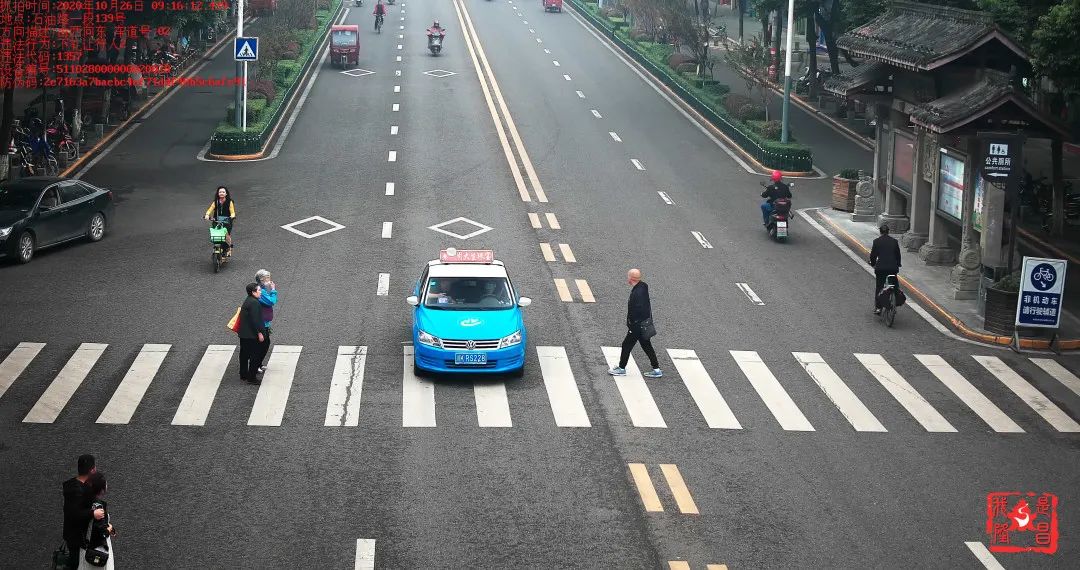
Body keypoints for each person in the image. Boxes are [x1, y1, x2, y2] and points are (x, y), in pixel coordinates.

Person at [608, 269, 662, 378]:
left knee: (626, 345)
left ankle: (621, 368)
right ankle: (656, 369)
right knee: (646, 345)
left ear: (631, 278)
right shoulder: (643, 286)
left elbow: (637, 310)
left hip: (637, 325)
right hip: (644, 323)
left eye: (628, 276)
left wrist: (631, 324)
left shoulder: (636, 294)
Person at [61, 455, 104, 570]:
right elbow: (74, 514)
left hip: (77, 536)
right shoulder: (76, 490)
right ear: (92, 470)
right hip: (76, 537)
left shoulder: (78, 485)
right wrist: (93, 514)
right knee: (76, 564)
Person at [80, 472, 117, 570]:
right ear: (101, 487)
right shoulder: (98, 506)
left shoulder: (86, 503)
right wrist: (109, 529)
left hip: (85, 548)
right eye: (105, 483)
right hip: (98, 550)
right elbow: (101, 532)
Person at [869, 224, 902, 315]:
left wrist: (873, 263)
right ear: (888, 231)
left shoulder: (876, 241)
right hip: (892, 268)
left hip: (881, 268)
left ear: (880, 232)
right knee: (894, 284)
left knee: (879, 287)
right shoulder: (894, 241)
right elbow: (898, 255)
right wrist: (898, 264)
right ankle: (895, 300)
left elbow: (873, 255)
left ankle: (878, 307)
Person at [237, 283, 266, 384]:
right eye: (259, 290)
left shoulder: (248, 300)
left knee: (244, 354)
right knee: (255, 356)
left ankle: (243, 374)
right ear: (253, 292)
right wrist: (260, 333)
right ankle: (252, 377)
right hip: (252, 335)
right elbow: (256, 320)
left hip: (244, 334)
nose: (261, 292)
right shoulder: (255, 303)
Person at [255, 270, 278, 375]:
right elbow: (271, 301)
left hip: (265, 322)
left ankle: (258, 364)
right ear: (261, 279)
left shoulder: (263, 289)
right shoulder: (261, 291)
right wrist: (273, 290)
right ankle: (256, 365)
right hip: (261, 323)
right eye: (267, 278)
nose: (269, 279)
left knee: (264, 343)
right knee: (263, 344)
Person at [204, 186, 236, 256]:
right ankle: (218, 246)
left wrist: (232, 216)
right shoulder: (216, 202)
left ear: (226, 194)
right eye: (220, 192)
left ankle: (228, 247)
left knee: (226, 235)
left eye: (223, 192)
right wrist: (207, 214)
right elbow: (210, 209)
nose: (221, 193)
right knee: (216, 234)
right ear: (218, 193)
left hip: (226, 221)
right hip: (217, 220)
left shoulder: (229, 202)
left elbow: (232, 212)